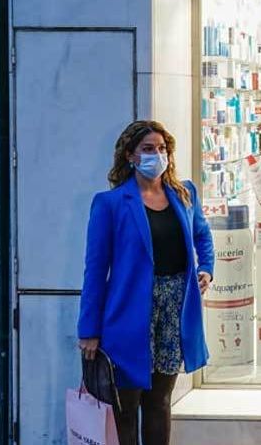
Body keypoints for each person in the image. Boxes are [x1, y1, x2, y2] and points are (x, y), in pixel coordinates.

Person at [78, 120, 215, 445]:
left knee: (161, 399)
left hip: (173, 308)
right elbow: (95, 270)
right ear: (130, 155)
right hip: (128, 313)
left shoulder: (184, 193)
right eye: (148, 149)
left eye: (162, 149)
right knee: (127, 403)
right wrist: (89, 330)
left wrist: (206, 268)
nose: (157, 155)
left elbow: (202, 235)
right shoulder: (110, 203)